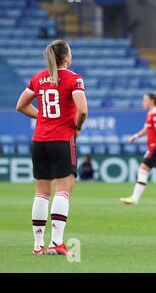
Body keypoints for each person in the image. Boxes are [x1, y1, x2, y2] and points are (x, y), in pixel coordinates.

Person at [16, 39, 88, 255]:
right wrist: (77, 127)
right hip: (62, 139)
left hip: (40, 141)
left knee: (41, 193)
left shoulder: (38, 78)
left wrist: (43, 117)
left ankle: (37, 245)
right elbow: (82, 110)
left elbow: (21, 105)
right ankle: (57, 243)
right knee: (63, 191)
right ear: (66, 57)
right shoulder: (74, 79)